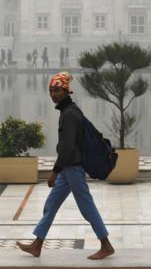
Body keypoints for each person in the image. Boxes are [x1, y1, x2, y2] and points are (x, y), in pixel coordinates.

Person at [17, 72, 115, 261]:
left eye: (57, 90)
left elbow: (68, 147)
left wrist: (55, 171)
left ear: (66, 91)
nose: (53, 94)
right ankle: (37, 245)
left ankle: (106, 244)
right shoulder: (68, 110)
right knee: (51, 204)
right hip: (68, 169)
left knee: (87, 207)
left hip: (72, 168)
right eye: (51, 90)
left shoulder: (69, 114)